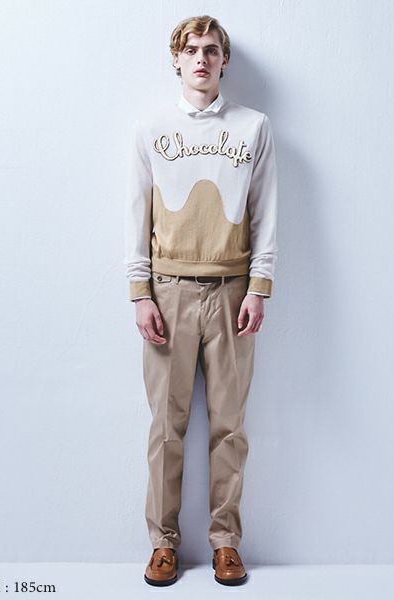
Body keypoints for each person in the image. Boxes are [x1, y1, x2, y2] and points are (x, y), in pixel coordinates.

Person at [124, 14, 278, 587]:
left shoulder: (253, 127)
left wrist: (258, 286)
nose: (202, 59)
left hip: (233, 293)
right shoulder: (151, 128)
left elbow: (265, 212)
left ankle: (225, 542)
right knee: (166, 427)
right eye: (191, 50)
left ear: (224, 60)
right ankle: (162, 544)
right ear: (177, 59)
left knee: (229, 426)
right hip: (168, 292)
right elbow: (135, 213)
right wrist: (140, 292)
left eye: (212, 50)